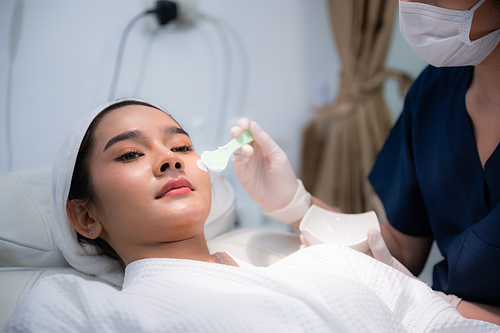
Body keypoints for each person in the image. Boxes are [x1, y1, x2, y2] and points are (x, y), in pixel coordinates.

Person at [3, 99, 496, 332]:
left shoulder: (323, 263)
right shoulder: (81, 308)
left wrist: (295, 203)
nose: (170, 158)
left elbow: (450, 323)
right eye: (130, 154)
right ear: (86, 218)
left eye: (181, 145)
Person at [231, 0, 500, 326]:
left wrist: (448, 309)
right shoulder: (434, 93)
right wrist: (295, 205)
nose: (412, 5)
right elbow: (401, 248)